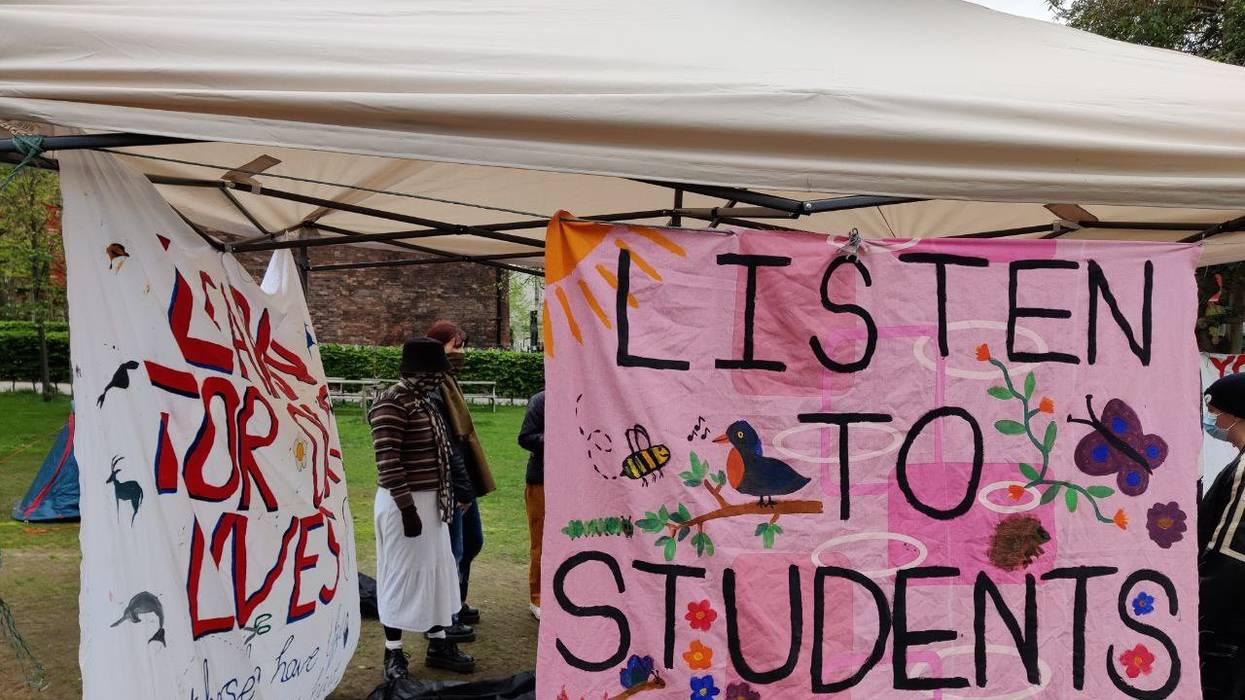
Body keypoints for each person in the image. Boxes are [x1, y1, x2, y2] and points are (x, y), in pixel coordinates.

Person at [370, 337, 475, 681]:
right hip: (406, 506)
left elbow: (445, 452)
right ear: (420, 371)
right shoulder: (391, 403)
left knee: (437, 572)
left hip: (433, 505)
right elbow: (388, 462)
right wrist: (407, 509)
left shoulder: (425, 402)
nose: (440, 378)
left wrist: (455, 492)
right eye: (435, 372)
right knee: (400, 576)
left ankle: (439, 642)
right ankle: (393, 652)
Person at [425, 320, 496, 628]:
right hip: (451, 484)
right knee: (452, 550)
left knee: (471, 542)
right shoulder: (433, 388)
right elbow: (446, 445)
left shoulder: (449, 383)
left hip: (464, 480)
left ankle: (458, 600)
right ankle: (444, 617)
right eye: (457, 346)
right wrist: (461, 488)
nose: (462, 352)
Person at [1200, 373, 1245, 698]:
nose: (1210, 418)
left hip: (1230, 629)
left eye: (1214, 411)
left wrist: (1196, 618)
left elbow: (1229, 556)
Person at [518, 389, 545, 620]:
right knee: (541, 539)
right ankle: (537, 596)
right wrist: (555, 437)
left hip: (575, 482)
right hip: (542, 480)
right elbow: (525, 437)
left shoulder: (585, 397)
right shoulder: (541, 400)